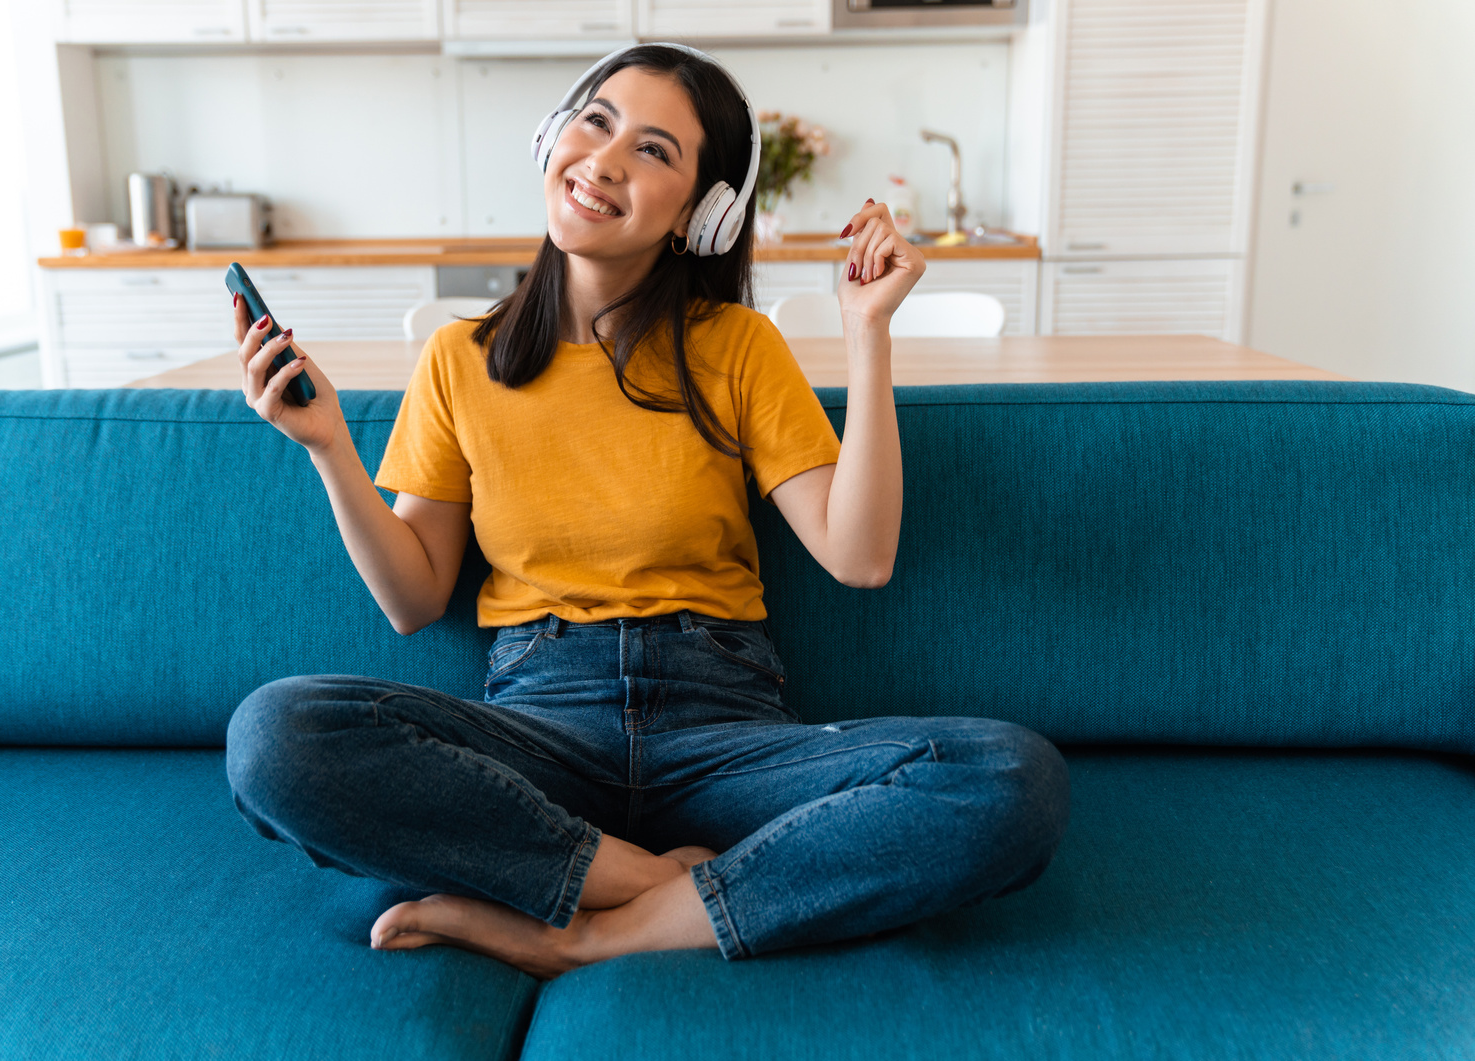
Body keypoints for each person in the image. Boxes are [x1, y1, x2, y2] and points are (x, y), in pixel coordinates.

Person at [224, 43, 1069, 981]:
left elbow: (858, 555)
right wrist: (329, 446)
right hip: (542, 729)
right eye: (595, 121)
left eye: (655, 150)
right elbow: (414, 597)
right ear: (552, 138)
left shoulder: (738, 347)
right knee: (276, 734)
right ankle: (649, 881)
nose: (607, 159)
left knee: (1007, 777)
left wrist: (867, 333)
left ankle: (589, 931)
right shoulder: (461, 359)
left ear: (701, 219)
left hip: (727, 732)